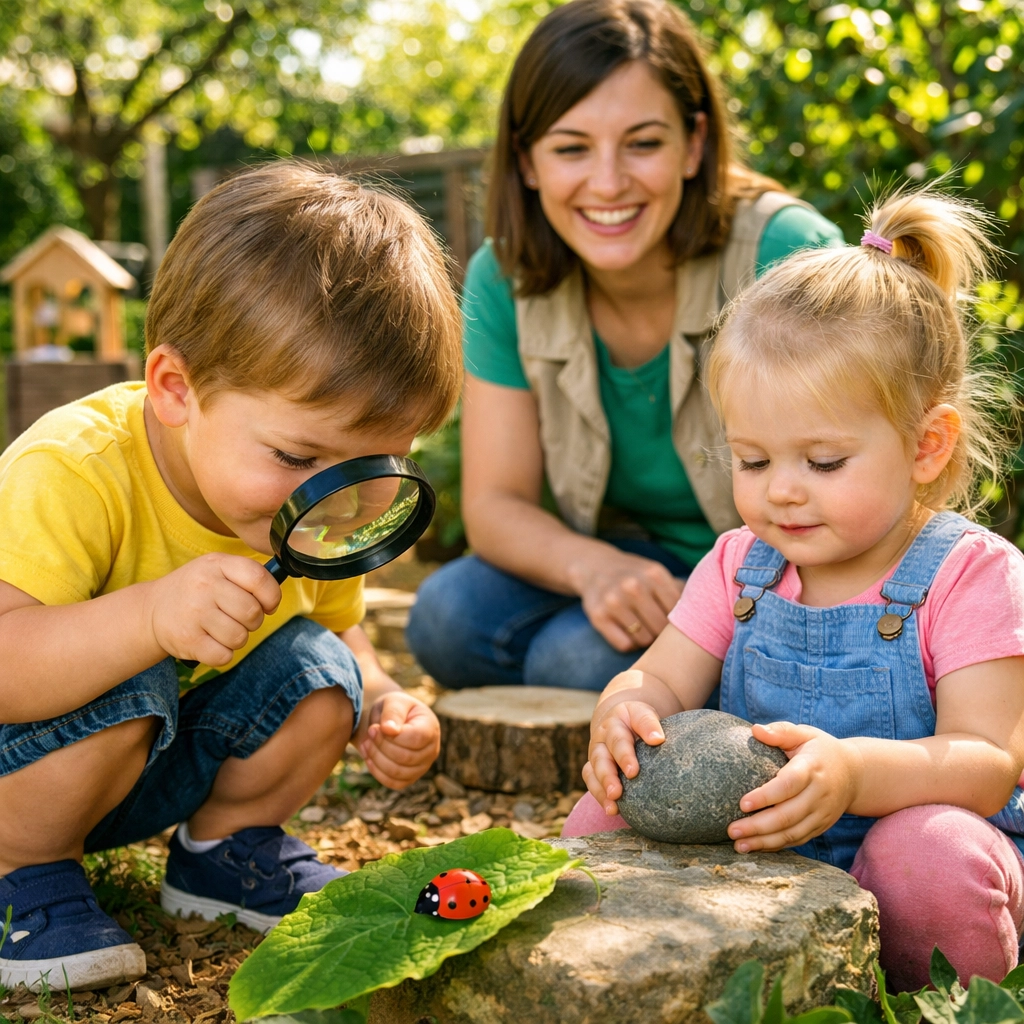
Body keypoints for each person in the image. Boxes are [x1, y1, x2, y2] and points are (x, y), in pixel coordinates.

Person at [0, 163, 461, 991]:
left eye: (377, 466)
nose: (337, 501)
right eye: (296, 456)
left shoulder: (308, 509)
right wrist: (147, 618)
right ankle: (17, 873)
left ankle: (223, 850)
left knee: (323, 671)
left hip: (143, 763)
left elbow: (340, 627)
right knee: (134, 666)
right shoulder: (74, 469)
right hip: (23, 767)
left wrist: (386, 701)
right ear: (177, 388)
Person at [565, 185, 1024, 989]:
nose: (780, 491)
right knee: (604, 812)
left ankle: (953, 1003)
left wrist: (851, 774)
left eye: (821, 463)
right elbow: (664, 674)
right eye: (752, 460)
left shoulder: (972, 575)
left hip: (921, 839)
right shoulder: (743, 563)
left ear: (926, 446)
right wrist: (623, 705)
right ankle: (608, 989)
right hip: (763, 845)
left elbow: (985, 762)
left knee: (925, 854)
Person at [406, 0, 845, 693]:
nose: (608, 183)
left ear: (693, 144)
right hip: (624, 549)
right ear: (526, 161)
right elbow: (494, 503)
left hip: (778, 568)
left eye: (642, 143)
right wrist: (594, 568)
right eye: (571, 148)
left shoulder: (786, 252)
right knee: (446, 617)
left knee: (569, 662)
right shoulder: (505, 277)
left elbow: (862, 486)